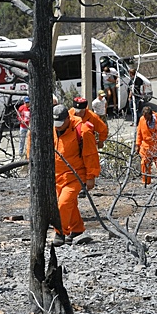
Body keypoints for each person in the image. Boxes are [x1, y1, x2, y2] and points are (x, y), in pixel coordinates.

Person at [52, 104, 100, 247]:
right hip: (57, 175)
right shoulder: (53, 128)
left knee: (63, 204)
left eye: (60, 124)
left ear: (68, 118)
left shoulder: (82, 130)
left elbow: (91, 155)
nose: (58, 127)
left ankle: (60, 231)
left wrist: (91, 176)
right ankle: (77, 230)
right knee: (70, 204)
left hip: (75, 175)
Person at [135, 106, 157, 186]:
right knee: (144, 164)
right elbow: (139, 133)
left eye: (147, 117)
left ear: (151, 114)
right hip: (146, 147)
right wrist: (137, 145)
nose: (146, 119)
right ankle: (146, 182)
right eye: (144, 117)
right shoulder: (142, 120)